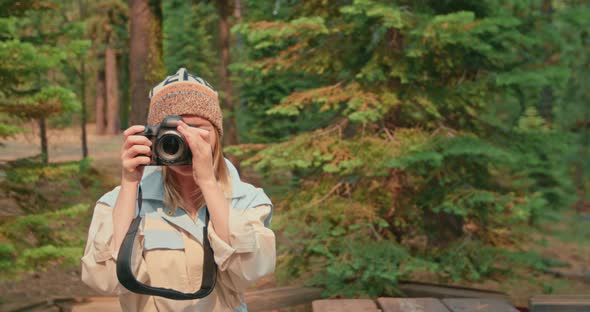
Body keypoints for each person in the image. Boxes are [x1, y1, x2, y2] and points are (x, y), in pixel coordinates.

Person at [81, 68, 275, 311]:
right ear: (153, 137)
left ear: (216, 133)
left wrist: (208, 183)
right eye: (171, 132)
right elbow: (106, 280)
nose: (184, 140)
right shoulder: (117, 203)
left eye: (196, 128)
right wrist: (130, 183)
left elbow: (250, 271)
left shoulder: (246, 199)